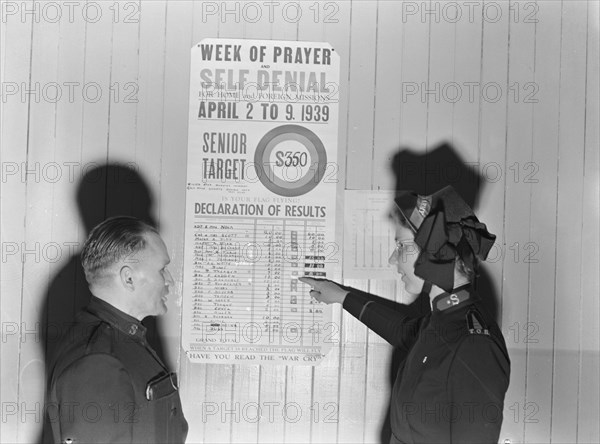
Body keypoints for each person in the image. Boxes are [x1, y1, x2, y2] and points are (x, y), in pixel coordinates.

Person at [300, 186, 510, 444]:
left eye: (401, 246)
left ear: (436, 250)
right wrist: (342, 296)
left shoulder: (474, 344)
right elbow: (402, 331)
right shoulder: (445, 318)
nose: (392, 259)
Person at [47, 216, 188, 444]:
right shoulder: (97, 360)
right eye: (162, 270)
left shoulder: (124, 338)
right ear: (129, 278)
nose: (170, 281)